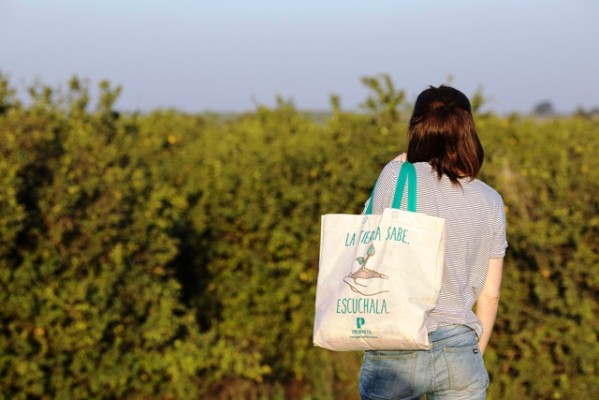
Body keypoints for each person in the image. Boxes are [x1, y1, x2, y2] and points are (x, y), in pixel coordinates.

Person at [359, 85, 507, 400]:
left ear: (417, 128)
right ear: (467, 130)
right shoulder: (491, 200)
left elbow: (361, 243)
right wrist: (472, 353)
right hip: (460, 349)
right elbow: (490, 295)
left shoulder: (398, 175)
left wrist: (396, 168)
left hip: (396, 347)